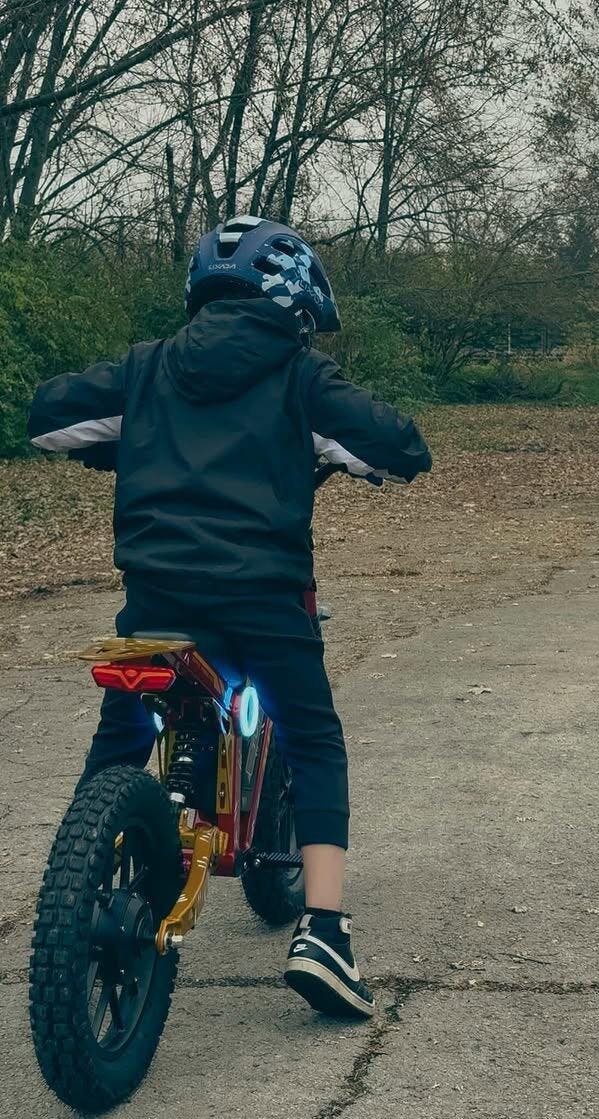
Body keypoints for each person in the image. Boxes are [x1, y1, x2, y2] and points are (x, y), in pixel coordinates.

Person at [27, 214, 432, 1019]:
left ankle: (73, 902)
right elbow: (400, 446)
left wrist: (119, 442)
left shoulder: (147, 367)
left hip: (157, 603)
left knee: (120, 737)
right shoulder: (299, 375)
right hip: (263, 602)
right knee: (312, 735)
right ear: (296, 305)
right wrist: (346, 453)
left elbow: (47, 418)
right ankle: (324, 931)